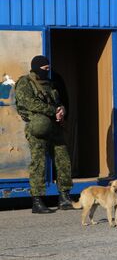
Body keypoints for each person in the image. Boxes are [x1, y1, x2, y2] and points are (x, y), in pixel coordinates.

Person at [14, 55, 73, 213]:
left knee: (63, 159)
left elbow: (57, 100)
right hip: (38, 128)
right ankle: (37, 201)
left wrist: (61, 109)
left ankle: (64, 196)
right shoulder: (25, 83)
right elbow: (30, 103)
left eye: (48, 69)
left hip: (54, 127)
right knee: (38, 163)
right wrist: (53, 110)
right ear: (36, 68)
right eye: (45, 69)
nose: (47, 71)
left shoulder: (50, 84)